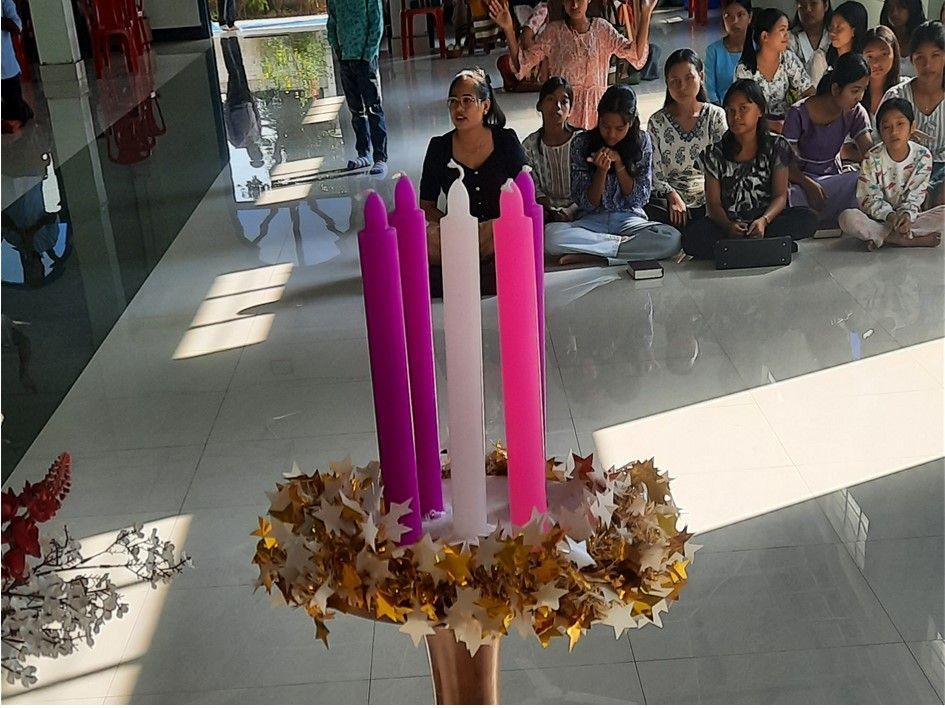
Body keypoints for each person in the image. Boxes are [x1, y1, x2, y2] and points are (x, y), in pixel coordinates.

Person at [544, 84, 682, 265]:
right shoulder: (582, 142)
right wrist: (601, 171)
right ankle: (618, 252)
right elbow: (586, 203)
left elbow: (639, 199)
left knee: (672, 238)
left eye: (619, 128)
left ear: (630, 123)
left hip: (629, 220)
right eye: (605, 126)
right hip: (591, 222)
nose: (611, 134)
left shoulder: (641, 142)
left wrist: (619, 166)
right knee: (550, 236)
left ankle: (593, 254)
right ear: (599, 118)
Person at [682, 79, 819, 259]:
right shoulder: (714, 153)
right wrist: (728, 226)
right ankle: (768, 245)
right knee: (692, 237)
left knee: (808, 219)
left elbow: (780, 196)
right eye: (730, 111)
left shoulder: (777, 146)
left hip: (766, 222)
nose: (736, 116)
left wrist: (763, 221)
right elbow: (713, 205)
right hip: (728, 225)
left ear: (760, 111)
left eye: (743, 109)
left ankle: (737, 248)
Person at [419, 68, 526, 296]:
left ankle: (465, 269)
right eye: (453, 101)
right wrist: (453, 227)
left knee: (509, 231)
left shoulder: (505, 141)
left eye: (467, 100)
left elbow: (525, 194)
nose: (459, 108)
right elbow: (426, 205)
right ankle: (475, 266)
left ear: (485, 106)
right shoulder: (438, 147)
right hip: (456, 234)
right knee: (416, 237)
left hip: (496, 231)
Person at [489, 0, 657, 129]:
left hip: (597, 116)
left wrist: (646, 15)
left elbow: (636, 57)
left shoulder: (602, 29)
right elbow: (522, 65)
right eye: (569, 0)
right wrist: (508, 29)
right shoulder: (553, 32)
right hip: (563, 116)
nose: (575, 4)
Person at [839, 97, 943, 247]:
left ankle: (884, 236)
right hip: (879, 219)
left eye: (900, 124)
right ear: (880, 132)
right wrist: (891, 216)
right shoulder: (872, 157)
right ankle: (907, 239)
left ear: (912, 127)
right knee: (847, 218)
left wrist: (906, 215)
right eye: (886, 127)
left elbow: (916, 195)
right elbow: (869, 198)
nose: (894, 132)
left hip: (910, 219)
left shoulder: (923, 156)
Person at [785, 53, 873, 228]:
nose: (860, 97)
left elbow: (871, 156)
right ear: (835, 89)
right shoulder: (798, 113)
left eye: (863, 90)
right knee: (789, 197)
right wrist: (808, 185)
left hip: (834, 180)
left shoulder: (856, 112)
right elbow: (786, 164)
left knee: (860, 180)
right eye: (855, 91)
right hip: (801, 182)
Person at [646, 49, 728, 227]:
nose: (682, 87)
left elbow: (722, 165)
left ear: (701, 77)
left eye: (689, 78)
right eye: (674, 81)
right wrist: (671, 195)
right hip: (670, 200)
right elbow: (654, 172)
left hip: (710, 196)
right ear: (667, 83)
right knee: (650, 209)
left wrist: (713, 202)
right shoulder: (657, 122)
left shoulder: (715, 116)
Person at [882, 21, 945, 206]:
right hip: (901, 170)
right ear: (911, 59)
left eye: (935, 56)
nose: (928, 64)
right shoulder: (896, 96)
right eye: (920, 57)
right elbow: (880, 144)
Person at [327, 0, 388, 175]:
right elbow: (332, 21)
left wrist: (368, 54)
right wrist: (337, 49)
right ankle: (363, 153)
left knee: (373, 109)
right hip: (345, 59)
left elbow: (376, 22)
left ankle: (380, 157)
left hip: (366, 60)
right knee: (356, 111)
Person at [735, 8, 814, 131]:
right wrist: (773, 125)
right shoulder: (745, 69)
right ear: (765, 36)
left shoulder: (788, 59)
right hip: (756, 128)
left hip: (787, 122)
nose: (787, 35)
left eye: (787, 30)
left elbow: (809, 91)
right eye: (782, 30)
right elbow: (744, 110)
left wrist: (799, 114)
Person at [521, 76, 579, 222]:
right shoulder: (529, 146)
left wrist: (570, 211)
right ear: (539, 105)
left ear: (570, 110)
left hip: (582, 211)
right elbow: (534, 188)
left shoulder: (581, 141)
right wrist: (550, 210)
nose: (557, 106)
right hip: (547, 215)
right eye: (551, 99)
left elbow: (590, 187)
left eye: (564, 102)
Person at [221, 37, 262, 166]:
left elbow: (228, 125)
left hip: (235, 104)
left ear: (250, 154)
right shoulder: (257, 136)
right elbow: (257, 118)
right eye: (258, 151)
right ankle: (233, 41)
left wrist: (225, 108)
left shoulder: (237, 142)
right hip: (246, 100)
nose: (255, 150)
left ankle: (225, 44)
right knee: (240, 69)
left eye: (254, 153)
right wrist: (253, 102)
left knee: (234, 73)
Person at [810, 1, 868, 85]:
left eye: (839, 27)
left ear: (854, 31)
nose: (832, 32)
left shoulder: (866, 62)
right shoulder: (821, 59)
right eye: (831, 26)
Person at [706, 0, 753, 104]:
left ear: (750, 17)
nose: (734, 21)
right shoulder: (713, 51)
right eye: (728, 16)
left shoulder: (758, 47)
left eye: (740, 15)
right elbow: (710, 90)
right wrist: (720, 111)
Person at [496, 1, 549, 92]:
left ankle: (532, 85)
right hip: (533, 60)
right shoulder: (543, 11)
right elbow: (526, 38)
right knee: (504, 62)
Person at [861, 26, 903, 129]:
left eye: (884, 54)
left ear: (894, 53)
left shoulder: (905, 90)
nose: (876, 63)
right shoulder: (853, 91)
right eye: (869, 56)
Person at [1, 0, 32, 133]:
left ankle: (21, 111)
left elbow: (17, 27)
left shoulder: (5, 2)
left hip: (5, 69)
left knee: (15, 112)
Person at [881, 0, 926, 76]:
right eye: (889, 7)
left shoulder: (926, 40)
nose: (894, 13)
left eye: (901, 6)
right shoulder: (882, 41)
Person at [789, 0, 833, 78]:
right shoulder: (788, 39)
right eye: (802, 5)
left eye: (813, 4)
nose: (808, 9)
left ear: (826, 5)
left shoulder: (834, 36)